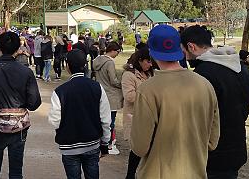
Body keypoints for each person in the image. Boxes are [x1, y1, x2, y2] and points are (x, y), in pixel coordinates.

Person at [131, 25, 220, 179]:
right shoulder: (205, 85)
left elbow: (139, 147)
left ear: (151, 52)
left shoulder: (148, 90)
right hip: (195, 172)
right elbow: (212, 141)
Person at [180, 25, 249, 179]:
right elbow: (245, 108)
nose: (184, 57)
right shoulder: (242, 68)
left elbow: (197, 120)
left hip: (212, 155)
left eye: (184, 51)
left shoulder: (202, 74)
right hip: (236, 148)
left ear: (191, 47)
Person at [0, 31, 41, 179]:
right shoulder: (26, 72)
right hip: (19, 126)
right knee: (16, 171)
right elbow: (34, 103)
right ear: (18, 49)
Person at [48, 49, 111, 179]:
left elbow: (55, 121)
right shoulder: (97, 87)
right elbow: (105, 119)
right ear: (85, 65)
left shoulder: (59, 91)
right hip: (92, 143)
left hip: (68, 146)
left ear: (67, 66)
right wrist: (105, 143)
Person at [122, 47, 153, 179]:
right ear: (140, 61)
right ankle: (130, 175)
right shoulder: (129, 75)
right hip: (134, 116)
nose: (150, 65)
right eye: (148, 62)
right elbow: (129, 96)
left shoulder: (151, 74)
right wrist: (148, 94)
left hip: (150, 116)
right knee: (136, 149)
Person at [93, 41, 123, 155]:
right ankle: (109, 144)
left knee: (101, 119)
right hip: (110, 94)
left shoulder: (97, 60)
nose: (117, 54)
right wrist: (122, 84)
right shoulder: (110, 62)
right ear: (113, 50)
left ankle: (101, 141)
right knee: (111, 121)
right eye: (118, 52)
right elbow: (113, 80)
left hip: (100, 91)